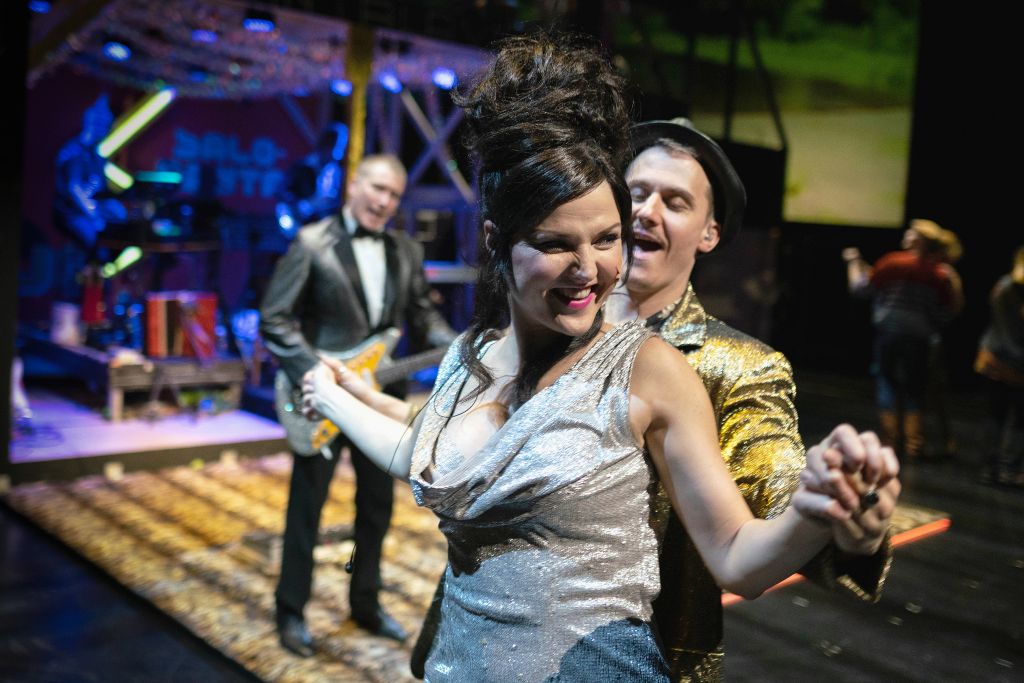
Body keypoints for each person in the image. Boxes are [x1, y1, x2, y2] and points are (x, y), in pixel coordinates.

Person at [301, 34, 897, 682]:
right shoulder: (477, 353)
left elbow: (749, 524)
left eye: (610, 236)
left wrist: (822, 512)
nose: (590, 265)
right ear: (499, 241)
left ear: (709, 231)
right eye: (558, 241)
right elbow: (434, 447)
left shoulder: (671, 366)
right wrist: (337, 395)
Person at [594, 117, 897, 680]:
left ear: (708, 234)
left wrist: (832, 507)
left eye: (675, 202)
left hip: (644, 656)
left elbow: (773, 473)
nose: (647, 211)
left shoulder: (739, 365)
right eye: (636, 193)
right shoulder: (554, 327)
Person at [259, 153, 456, 656]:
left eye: (394, 195)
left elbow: (422, 317)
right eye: (377, 188)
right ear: (353, 184)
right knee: (307, 509)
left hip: (380, 401)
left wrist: (457, 346)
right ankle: (291, 611)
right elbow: (275, 320)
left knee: (376, 508)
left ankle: (365, 602)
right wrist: (316, 374)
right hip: (320, 399)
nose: (384, 201)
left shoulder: (405, 251)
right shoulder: (311, 242)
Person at [844, 219, 964, 458]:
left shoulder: (893, 262)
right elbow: (946, 312)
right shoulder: (939, 273)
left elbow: (860, 288)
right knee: (914, 389)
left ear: (917, 240)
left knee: (887, 385)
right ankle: (913, 444)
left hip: (889, 334)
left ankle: (891, 442)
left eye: (911, 232)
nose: (906, 234)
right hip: (920, 338)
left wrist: (853, 262)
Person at [975, 246, 1024, 485]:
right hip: (1017, 362)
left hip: (995, 358)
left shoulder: (1003, 285)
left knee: (996, 414)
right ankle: (1009, 469)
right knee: (1019, 420)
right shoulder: (1012, 289)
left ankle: (989, 466)